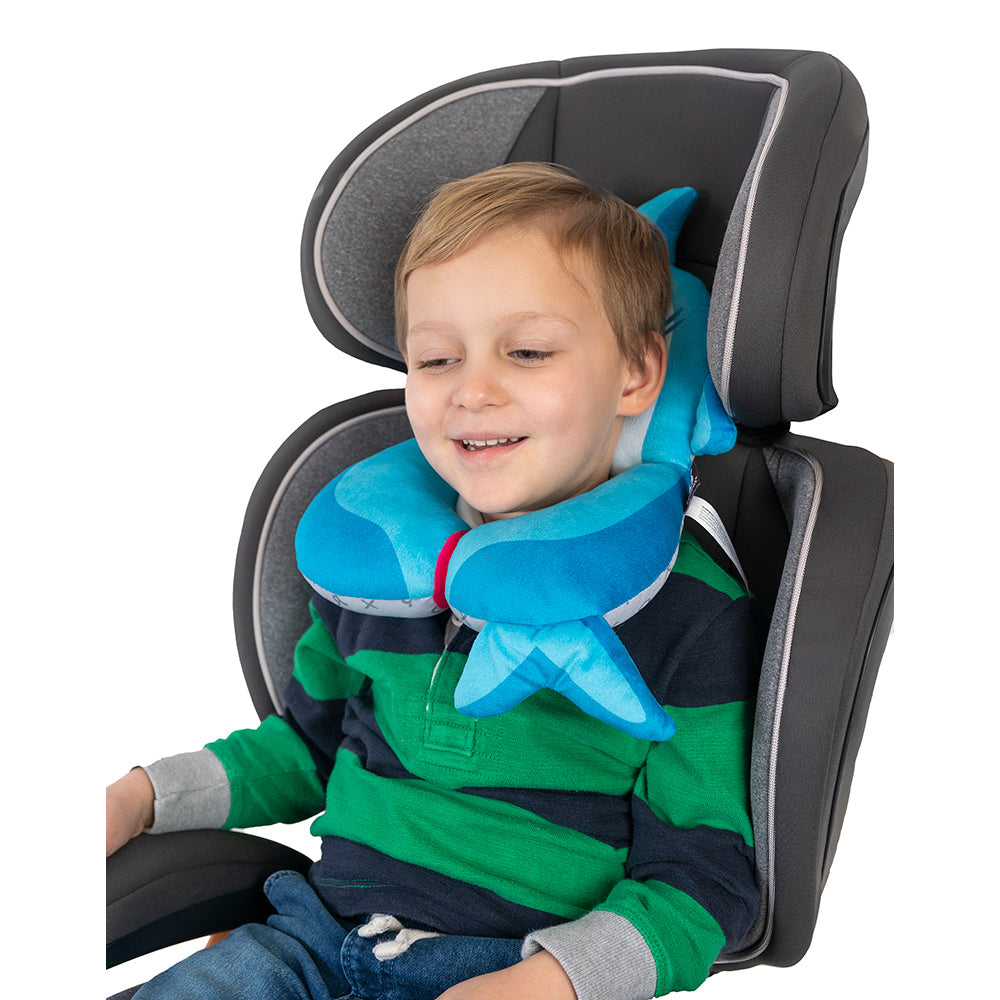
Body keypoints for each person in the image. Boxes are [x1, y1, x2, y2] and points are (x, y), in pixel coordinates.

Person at [106, 162, 762, 1000]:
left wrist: (551, 982)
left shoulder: (690, 607)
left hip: (518, 971)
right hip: (311, 941)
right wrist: (141, 795)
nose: (473, 391)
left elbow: (705, 878)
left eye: (528, 352)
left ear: (636, 372)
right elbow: (304, 747)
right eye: (437, 357)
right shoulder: (379, 572)